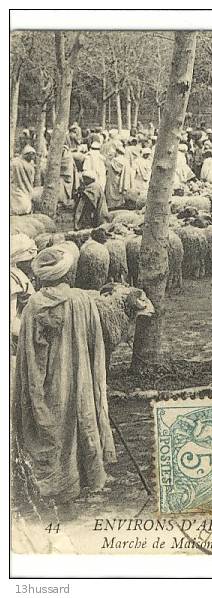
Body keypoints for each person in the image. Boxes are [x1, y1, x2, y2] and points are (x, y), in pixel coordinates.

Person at [12, 245, 117, 502]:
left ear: (40, 275)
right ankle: (88, 475)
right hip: (80, 376)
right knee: (82, 416)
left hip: (50, 380)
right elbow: (96, 342)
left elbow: (29, 353)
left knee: (53, 423)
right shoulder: (82, 299)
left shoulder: (35, 305)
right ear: (67, 273)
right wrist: (92, 372)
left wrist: (32, 384)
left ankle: (58, 481)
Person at [10, 234, 37, 354]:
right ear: (19, 260)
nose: (32, 263)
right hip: (20, 332)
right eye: (29, 260)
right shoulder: (11, 279)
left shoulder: (18, 272)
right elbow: (11, 316)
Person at [11, 145, 37, 215]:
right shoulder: (16, 162)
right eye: (30, 155)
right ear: (25, 154)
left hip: (25, 187)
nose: (32, 157)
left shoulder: (28, 164)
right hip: (16, 186)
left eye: (33, 155)